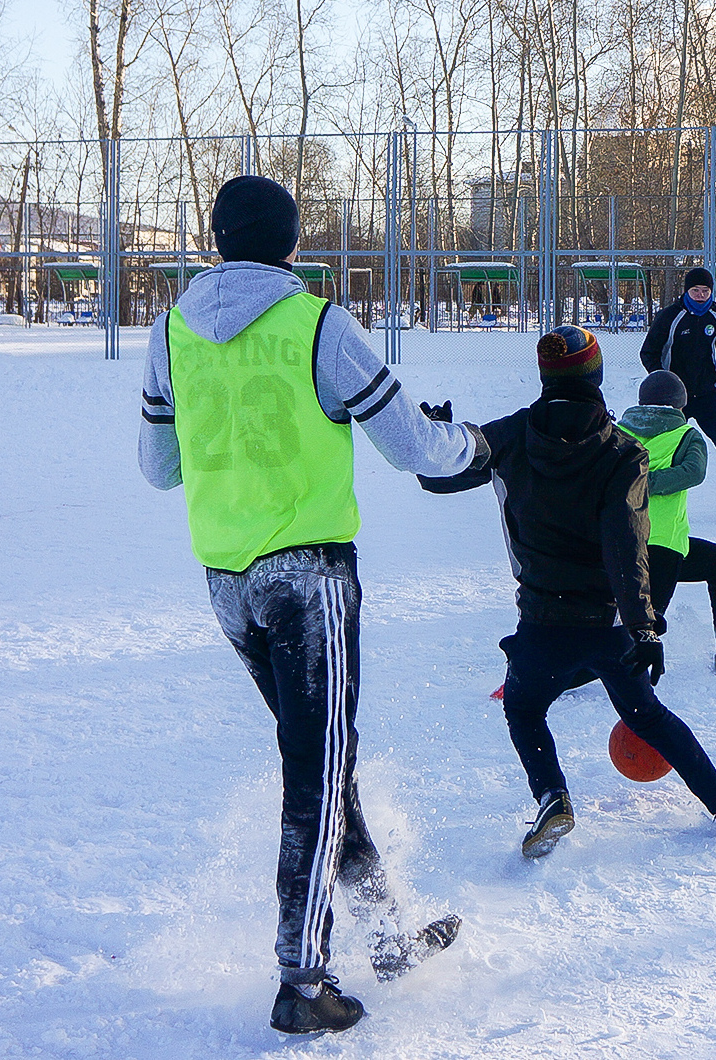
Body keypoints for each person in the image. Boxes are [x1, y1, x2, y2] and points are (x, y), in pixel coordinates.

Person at [139, 175, 478, 1036]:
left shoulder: (171, 329)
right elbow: (412, 448)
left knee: (322, 762)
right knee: (317, 772)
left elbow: (159, 467)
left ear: (217, 240)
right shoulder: (317, 323)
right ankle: (302, 976)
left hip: (226, 582)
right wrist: (476, 444)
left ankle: (387, 934)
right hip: (308, 578)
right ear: (292, 243)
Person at [421, 325, 716, 862]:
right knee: (648, 717)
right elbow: (627, 545)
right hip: (608, 625)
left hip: (541, 622)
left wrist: (433, 437)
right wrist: (644, 627)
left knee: (525, 708)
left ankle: (553, 796)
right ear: (598, 375)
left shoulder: (511, 434)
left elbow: (441, 476)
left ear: (543, 376)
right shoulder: (622, 451)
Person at [620, 370, 716, 675]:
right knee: (643, 631)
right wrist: (649, 482)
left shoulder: (619, 432)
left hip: (622, 543)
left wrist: (635, 483)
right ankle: (547, 676)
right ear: (680, 405)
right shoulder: (686, 434)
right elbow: (694, 472)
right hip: (664, 546)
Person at [639, 266, 716, 520]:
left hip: (708, 394)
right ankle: (642, 499)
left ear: (711, 292)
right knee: (661, 450)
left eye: (705, 291)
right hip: (674, 399)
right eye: (695, 290)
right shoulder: (670, 316)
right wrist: (662, 381)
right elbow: (648, 352)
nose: (700, 295)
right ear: (687, 290)